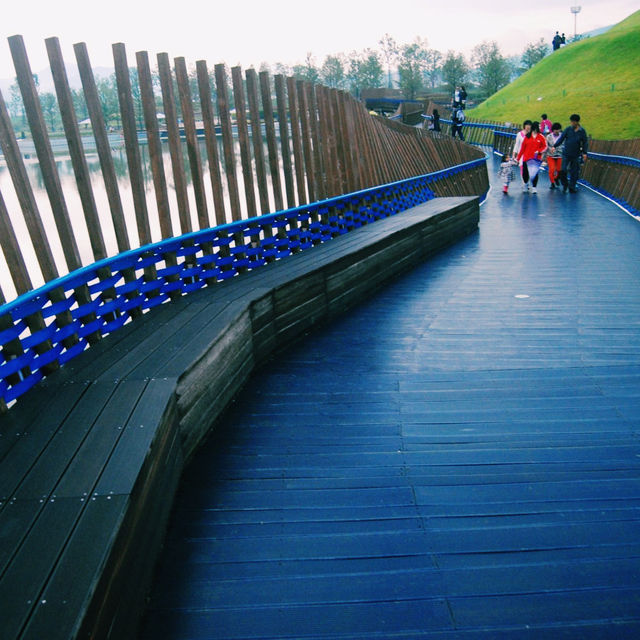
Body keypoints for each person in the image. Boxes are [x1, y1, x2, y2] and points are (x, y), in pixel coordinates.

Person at [553, 113, 588, 193]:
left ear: (577, 122)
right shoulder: (568, 129)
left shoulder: (582, 131)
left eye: (573, 122)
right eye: (571, 122)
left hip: (576, 154)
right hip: (566, 153)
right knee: (563, 170)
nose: (571, 123)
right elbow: (561, 139)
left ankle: (572, 187)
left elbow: (585, 142)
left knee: (574, 171)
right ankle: (565, 184)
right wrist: (554, 146)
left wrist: (584, 153)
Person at [517, 121, 547, 194]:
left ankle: (534, 187)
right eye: (538, 126)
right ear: (535, 127)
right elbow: (522, 148)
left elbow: (545, 146)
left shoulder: (541, 137)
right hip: (526, 158)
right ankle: (526, 184)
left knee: (534, 173)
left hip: (536, 159)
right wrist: (518, 158)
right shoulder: (527, 136)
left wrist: (539, 151)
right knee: (525, 173)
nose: (540, 127)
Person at [545, 122, 564, 189]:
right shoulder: (549, 136)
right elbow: (546, 145)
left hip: (559, 155)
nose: (556, 131)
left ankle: (556, 178)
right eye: (555, 129)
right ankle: (552, 183)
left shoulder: (562, 136)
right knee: (552, 169)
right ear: (553, 130)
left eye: (558, 129)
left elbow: (564, 145)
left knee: (559, 170)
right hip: (550, 156)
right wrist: (550, 149)